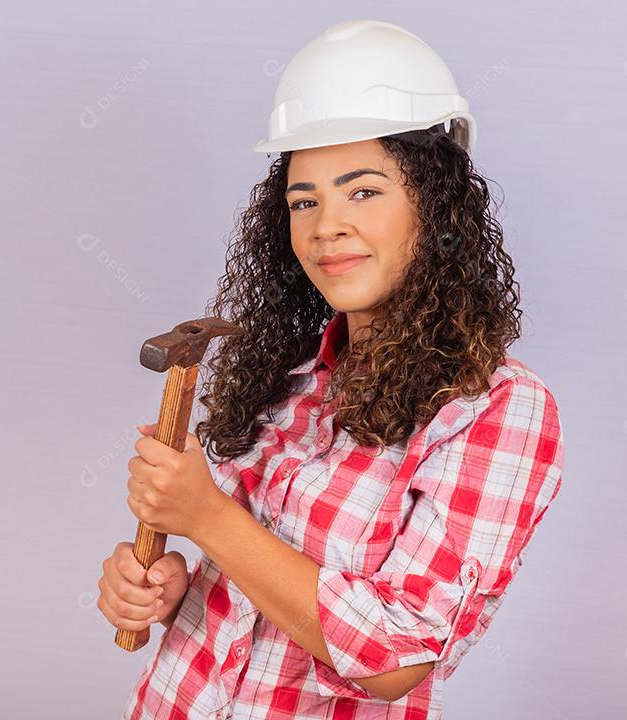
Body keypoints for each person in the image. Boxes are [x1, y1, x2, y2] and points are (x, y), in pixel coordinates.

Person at [98, 19, 565, 719]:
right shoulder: (283, 379)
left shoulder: (499, 412)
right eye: (304, 200)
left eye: (364, 191)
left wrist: (207, 517)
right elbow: (246, 601)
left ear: (436, 208)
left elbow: (394, 657)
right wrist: (172, 591)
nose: (325, 226)